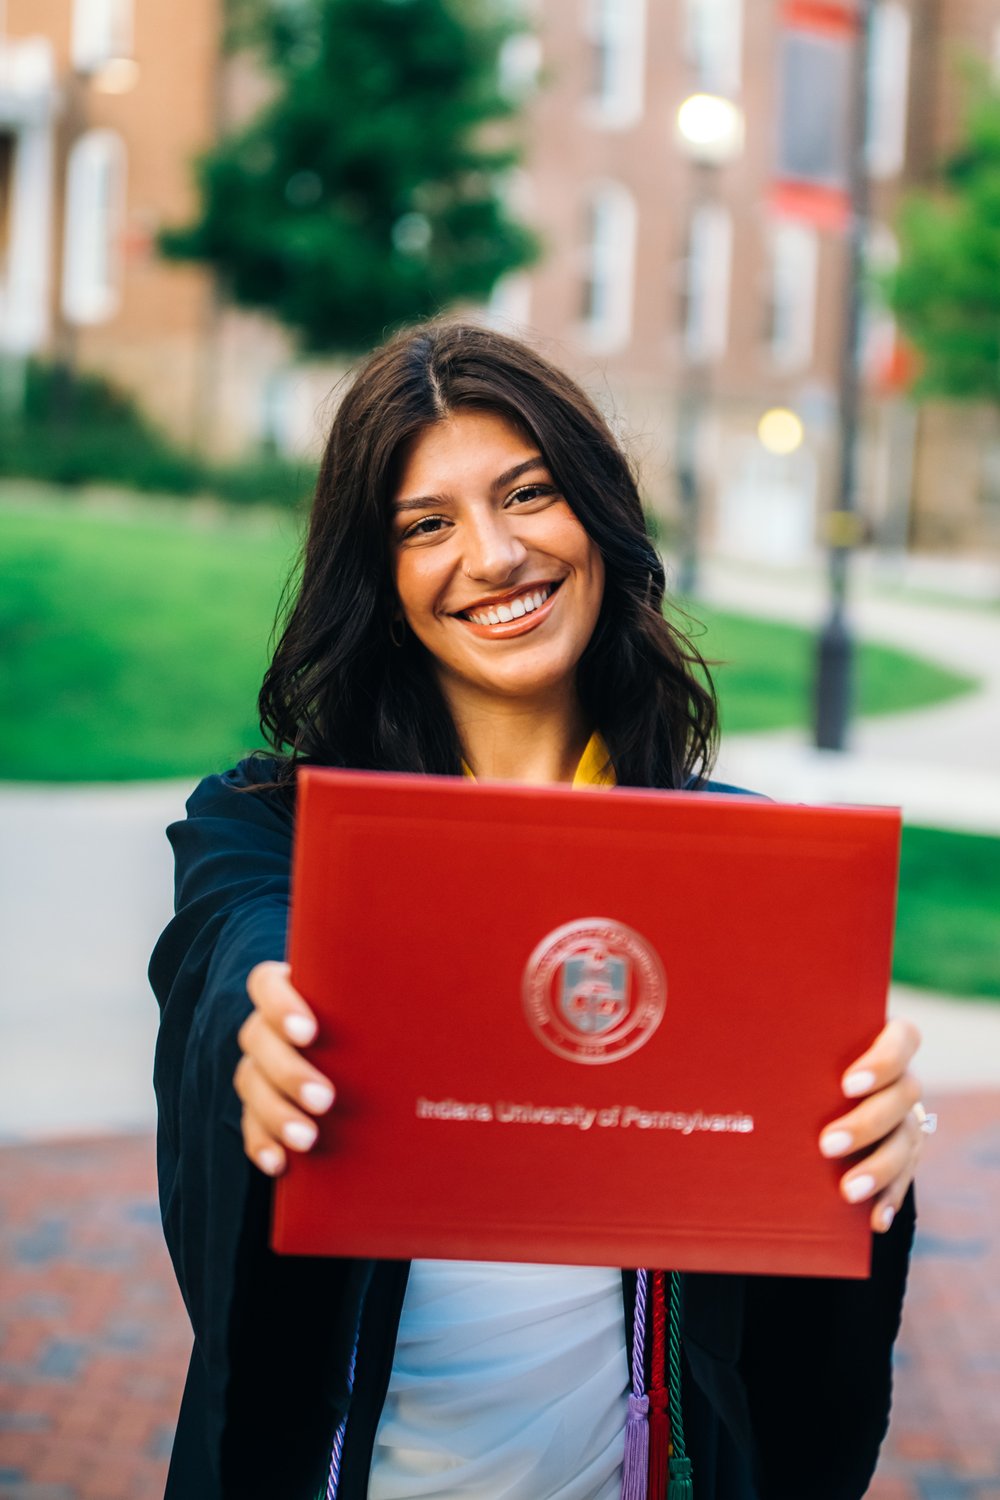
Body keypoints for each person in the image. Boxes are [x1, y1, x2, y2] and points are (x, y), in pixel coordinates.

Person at [150, 321, 927, 1500]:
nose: (494, 554)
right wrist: (267, 1033)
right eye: (427, 523)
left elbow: (793, 1370)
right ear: (379, 573)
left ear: (600, 518)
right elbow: (236, 956)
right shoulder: (269, 831)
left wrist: (865, 1160)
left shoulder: (736, 869)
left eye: (529, 494)